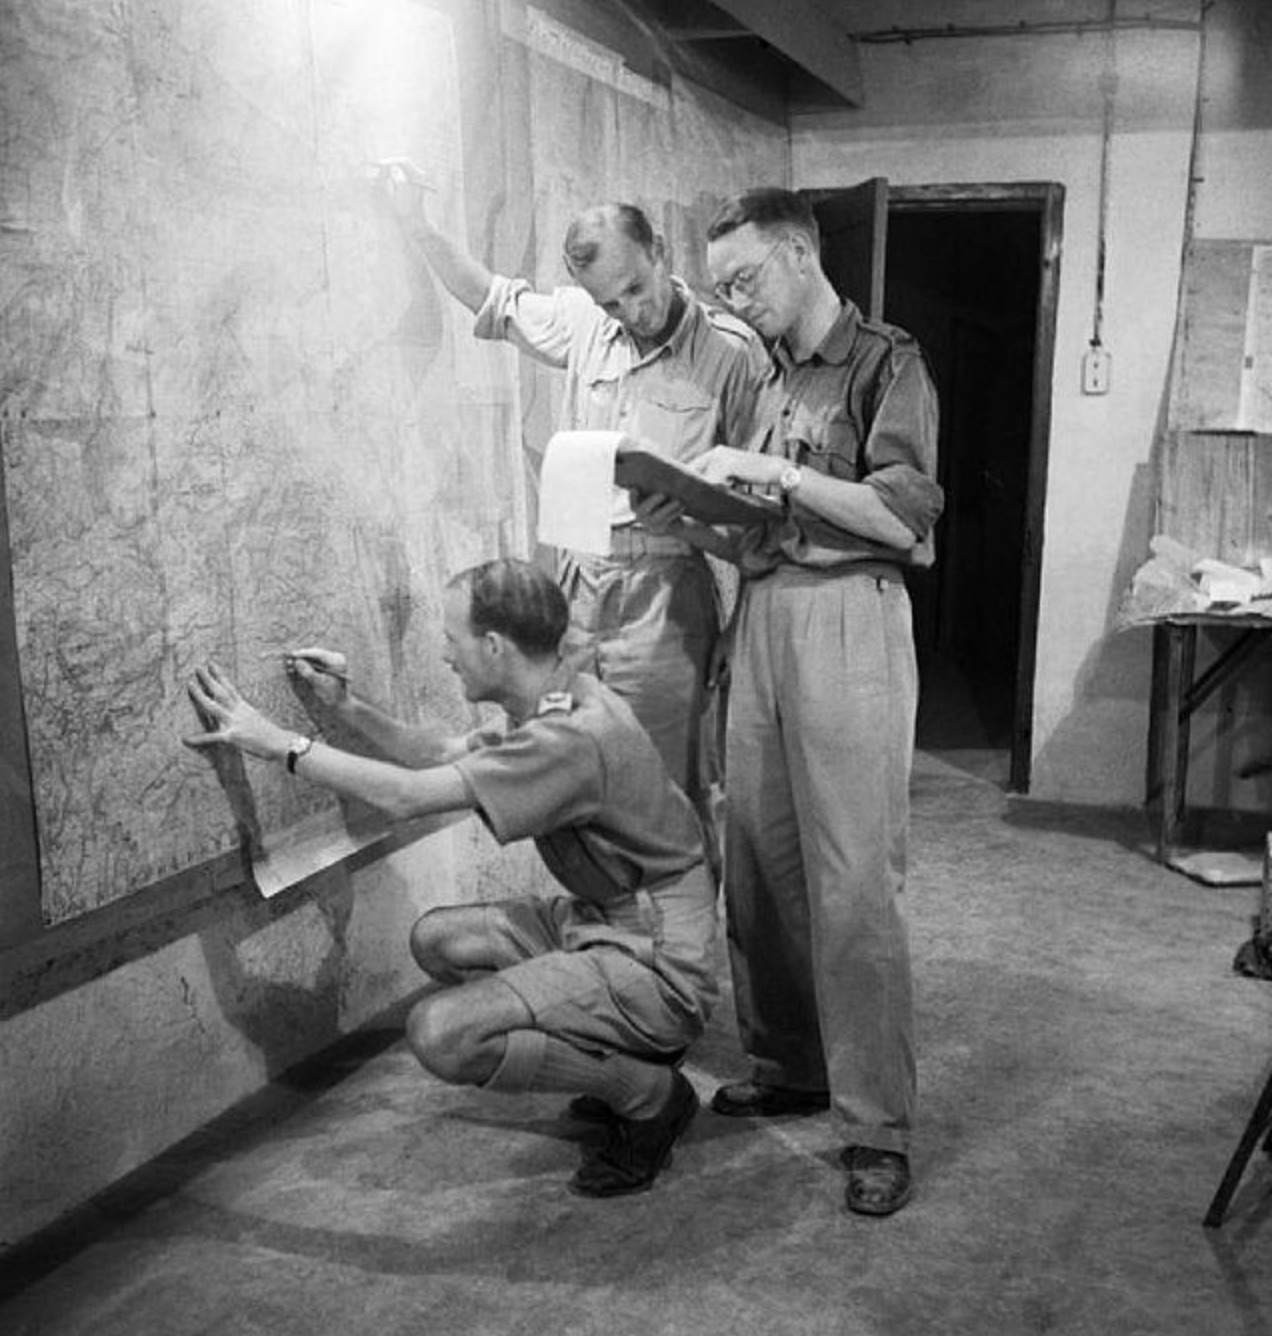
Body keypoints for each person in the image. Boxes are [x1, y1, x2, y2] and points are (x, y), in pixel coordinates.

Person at [183, 558, 717, 1198]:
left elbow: (409, 795)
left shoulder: (570, 735)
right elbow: (436, 755)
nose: (443, 653)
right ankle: (626, 1050)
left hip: (660, 958)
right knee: (440, 939)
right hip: (610, 918)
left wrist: (280, 744)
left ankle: (648, 1093)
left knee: (441, 1034)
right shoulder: (555, 692)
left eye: (452, 638)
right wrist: (343, 704)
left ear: (493, 645)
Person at [371, 161, 770, 864]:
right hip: (579, 594)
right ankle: (609, 932)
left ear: (661, 255)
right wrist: (418, 227)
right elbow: (489, 297)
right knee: (571, 762)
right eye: (609, 301)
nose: (630, 313)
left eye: (636, 290)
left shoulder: (732, 355)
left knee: (662, 781)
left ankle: (678, 957)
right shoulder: (586, 323)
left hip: (666, 599)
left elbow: (758, 505)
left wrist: (726, 601)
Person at [677, 188, 943, 1216]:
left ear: (797, 253)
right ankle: (790, 1063)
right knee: (760, 861)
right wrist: (697, 507)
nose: (737, 302)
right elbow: (757, 522)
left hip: (850, 616)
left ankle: (876, 1127)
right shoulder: (770, 383)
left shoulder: (887, 363)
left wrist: (768, 478)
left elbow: (902, 518)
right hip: (769, 616)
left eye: (744, 279)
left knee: (855, 882)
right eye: (722, 289)